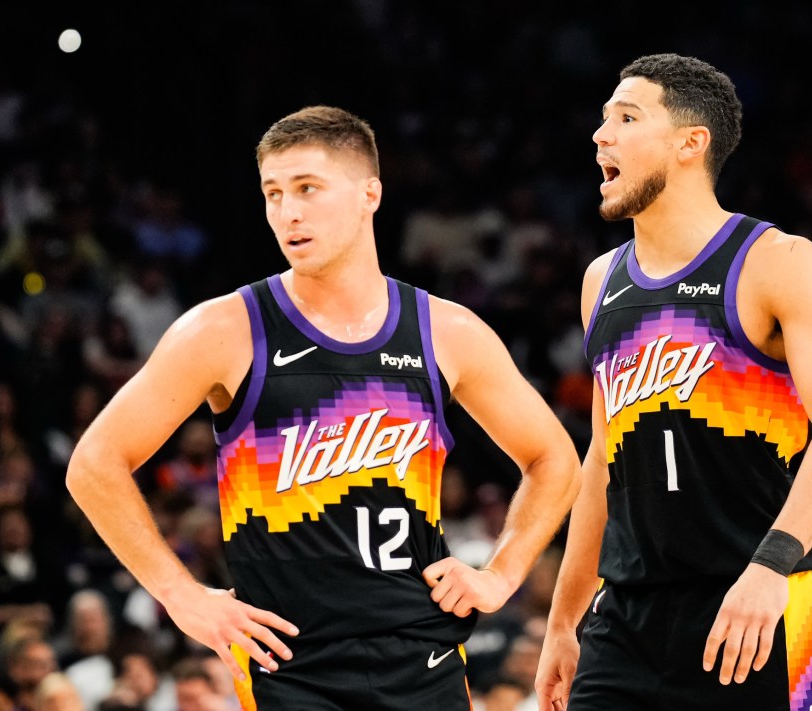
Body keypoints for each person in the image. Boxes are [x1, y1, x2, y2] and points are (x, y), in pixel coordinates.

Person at [66, 105, 581, 711]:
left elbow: (555, 459)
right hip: (289, 668)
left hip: (424, 659)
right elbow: (94, 463)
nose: (288, 212)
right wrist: (181, 596)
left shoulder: (446, 330)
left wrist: (500, 574)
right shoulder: (223, 329)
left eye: (308, 189)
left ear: (371, 194)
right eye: (273, 193)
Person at [534, 52, 812, 710]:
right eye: (603, 119)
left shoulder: (777, 262)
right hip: (624, 621)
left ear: (691, 143)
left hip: (752, 606)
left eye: (627, 117)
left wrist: (772, 564)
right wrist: (562, 620)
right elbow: (604, 458)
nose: (601, 135)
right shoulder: (601, 281)